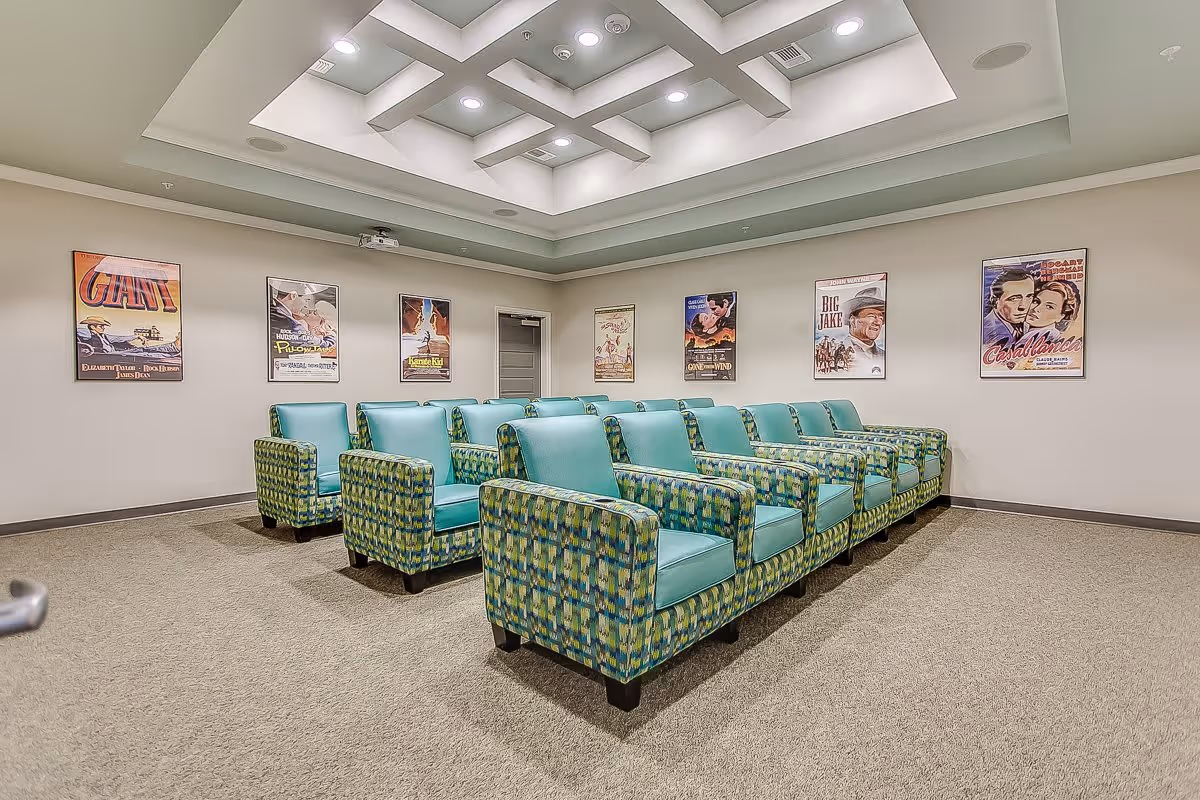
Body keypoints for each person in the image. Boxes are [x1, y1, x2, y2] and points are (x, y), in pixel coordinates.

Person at [76, 316, 181, 359]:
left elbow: (119, 338)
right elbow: (77, 332)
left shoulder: (104, 336)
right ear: (92, 326)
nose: (103, 328)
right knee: (144, 353)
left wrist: (137, 336)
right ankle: (170, 354)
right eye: (101, 326)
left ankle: (172, 349)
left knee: (142, 349)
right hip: (111, 355)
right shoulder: (88, 334)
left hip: (115, 352)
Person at [835, 287, 885, 376]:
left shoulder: (884, 355)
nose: (878, 322)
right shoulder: (838, 350)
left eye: (881, 318)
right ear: (853, 321)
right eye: (871, 316)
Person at [270, 281, 335, 349]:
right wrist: (331, 336)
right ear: (293, 296)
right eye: (304, 299)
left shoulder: (272, 311)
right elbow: (322, 346)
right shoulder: (291, 323)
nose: (305, 304)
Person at [982, 267, 1036, 345]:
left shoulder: (1031, 324)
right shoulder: (986, 332)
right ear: (994, 301)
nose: (1023, 306)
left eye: (1029, 296)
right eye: (1014, 299)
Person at [1018, 280, 1081, 344]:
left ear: (1061, 316)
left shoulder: (1048, 334)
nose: (1036, 309)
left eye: (1049, 307)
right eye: (1036, 301)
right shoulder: (1024, 329)